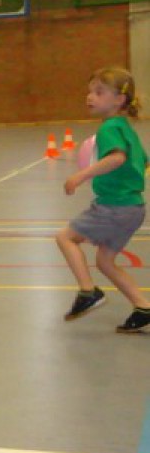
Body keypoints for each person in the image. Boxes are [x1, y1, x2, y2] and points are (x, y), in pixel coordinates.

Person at [55, 67, 150, 333]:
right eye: (90, 91)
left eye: (99, 92)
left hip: (114, 206)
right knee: (105, 262)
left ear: (118, 100)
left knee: (65, 238)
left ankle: (88, 291)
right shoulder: (125, 128)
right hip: (133, 207)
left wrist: (81, 175)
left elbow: (117, 158)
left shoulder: (109, 128)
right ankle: (143, 307)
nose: (90, 96)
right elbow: (142, 161)